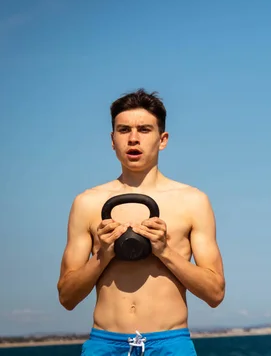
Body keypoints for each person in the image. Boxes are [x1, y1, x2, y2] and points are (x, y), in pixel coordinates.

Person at [57, 89, 225, 355]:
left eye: (144, 129)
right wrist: (103, 255)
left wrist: (165, 251)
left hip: (170, 343)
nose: (133, 139)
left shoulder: (193, 201)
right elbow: (67, 297)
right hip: (106, 343)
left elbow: (215, 293)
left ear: (163, 139)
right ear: (113, 140)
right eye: (124, 130)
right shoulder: (87, 203)